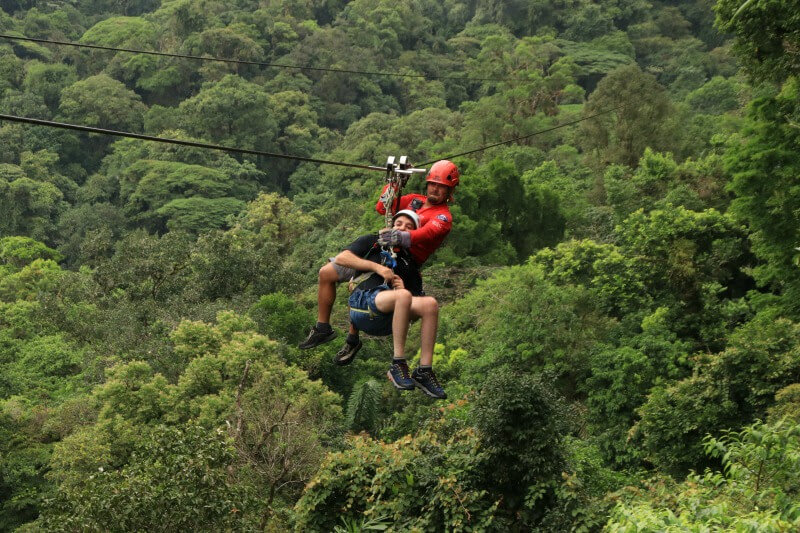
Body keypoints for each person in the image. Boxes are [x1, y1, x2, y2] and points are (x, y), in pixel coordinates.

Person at [298, 160, 460, 362]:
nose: (435, 189)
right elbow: (383, 207)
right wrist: (395, 183)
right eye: (433, 184)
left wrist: (398, 236)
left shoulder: (443, 217)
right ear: (427, 184)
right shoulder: (414, 200)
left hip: (403, 261)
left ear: (450, 190)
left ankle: (352, 339)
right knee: (326, 273)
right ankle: (323, 327)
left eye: (441, 187)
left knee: (366, 286)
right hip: (383, 249)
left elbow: (423, 235)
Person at [333, 210, 446, 399]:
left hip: (386, 318)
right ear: (391, 226)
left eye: (408, 228)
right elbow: (341, 258)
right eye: (399, 224)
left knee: (430, 304)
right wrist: (377, 267)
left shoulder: (409, 263)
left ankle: (424, 370)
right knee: (402, 296)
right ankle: (398, 363)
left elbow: (416, 308)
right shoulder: (374, 243)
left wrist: (405, 290)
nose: (401, 228)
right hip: (363, 303)